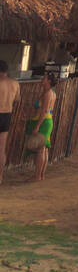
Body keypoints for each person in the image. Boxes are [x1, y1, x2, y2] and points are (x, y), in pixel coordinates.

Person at [26, 71, 57, 182]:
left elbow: (43, 111)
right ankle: (40, 175)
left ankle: (37, 176)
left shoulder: (48, 93)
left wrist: (37, 126)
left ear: (48, 81)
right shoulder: (51, 92)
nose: (41, 80)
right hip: (47, 121)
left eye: (44, 78)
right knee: (44, 149)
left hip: (43, 122)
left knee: (40, 149)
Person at [0, 59, 20, 187]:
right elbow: (17, 99)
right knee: (1, 149)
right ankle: (0, 176)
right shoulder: (15, 83)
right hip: (7, 116)